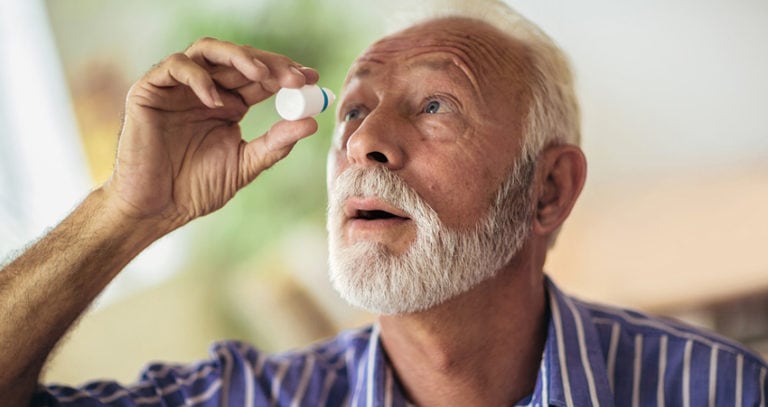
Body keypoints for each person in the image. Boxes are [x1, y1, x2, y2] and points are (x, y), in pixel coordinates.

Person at [1, 1, 766, 406]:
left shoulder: (722, 390)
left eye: (434, 106)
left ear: (549, 190)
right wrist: (127, 211)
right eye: (355, 110)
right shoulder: (251, 397)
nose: (365, 141)